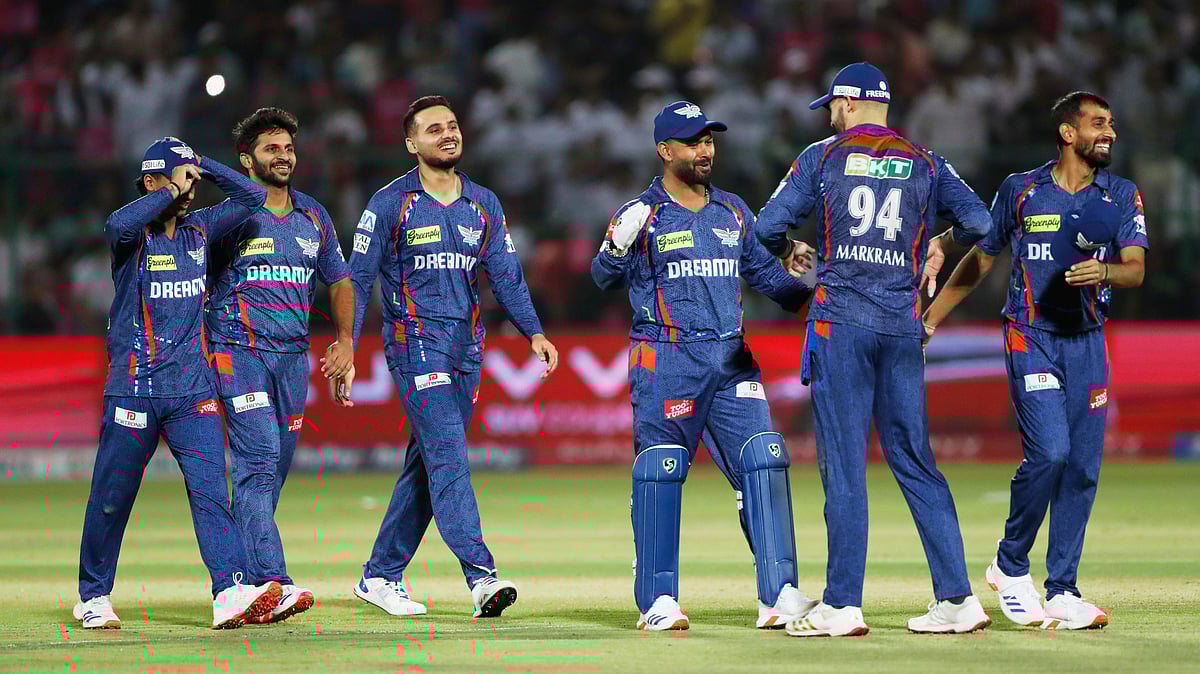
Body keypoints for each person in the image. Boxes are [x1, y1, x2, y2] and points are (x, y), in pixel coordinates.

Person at [756, 62, 994, 636]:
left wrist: (793, 247)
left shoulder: (823, 155)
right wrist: (937, 243)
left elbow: (765, 228)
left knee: (843, 464)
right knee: (915, 460)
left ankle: (841, 604)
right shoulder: (927, 162)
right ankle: (958, 600)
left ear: (850, 103)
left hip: (842, 324)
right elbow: (983, 222)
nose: (830, 115)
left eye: (832, 106)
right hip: (902, 327)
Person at [922, 91, 1146, 630]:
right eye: (1098, 124)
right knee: (1050, 452)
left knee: (1082, 468)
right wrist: (930, 319)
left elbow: (1135, 268)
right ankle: (1009, 563)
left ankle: (1064, 588)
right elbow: (982, 257)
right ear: (1068, 134)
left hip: (1089, 340)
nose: (1108, 133)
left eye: (1111, 124)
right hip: (1031, 333)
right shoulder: (1022, 189)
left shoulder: (1121, 194)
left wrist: (1106, 273)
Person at [591, 101, 817, 631]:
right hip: (667, 357)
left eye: (710, 140)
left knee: (765, 461)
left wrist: (819, 297)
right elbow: (602, 278)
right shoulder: (642, 213)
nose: (705, 150)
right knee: (661, 471)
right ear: (665, 151)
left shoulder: (733, 210)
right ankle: (656, 601)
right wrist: (617, 246)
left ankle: (778, 594)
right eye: (693, 142)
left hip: (732, 359)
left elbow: (766, 276)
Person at [335, 95, 559, 619]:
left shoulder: (484, 203)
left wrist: (534, 332)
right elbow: (357, 277)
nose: (448, 134)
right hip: (414, 344)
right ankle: (481, 577)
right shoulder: (389, 203)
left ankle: (379, 575)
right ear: (411, 144)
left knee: (427, 462)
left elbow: (506, 274)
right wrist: (347, 343)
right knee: (449, 454)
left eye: (453, 126)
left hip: (466, 351)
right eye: (434, 129)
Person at [76, 137, 281, 630]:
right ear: (150, 183)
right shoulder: (132, 238)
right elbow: (116, 223)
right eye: (177, 177)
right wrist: (169, 190)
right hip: (135, 389)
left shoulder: (200, 229)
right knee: (112, 495)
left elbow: (254, 198)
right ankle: (93, 595)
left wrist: (202, 165)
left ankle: (229, 590)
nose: (189, 188)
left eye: (191, 179)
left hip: (193, 393)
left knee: (211, 491)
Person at [205, 108, 356, 624]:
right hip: (238, 352)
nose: (285, 156)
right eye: (272, 149)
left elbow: (339, 281)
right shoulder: (231, 216)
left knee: (271, 471)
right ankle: (275, 580)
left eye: (289, 147)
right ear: (246, 161)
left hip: (292, 360)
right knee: (260, 460)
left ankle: (242, 584)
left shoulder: (314, 216)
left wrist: (345, 341)